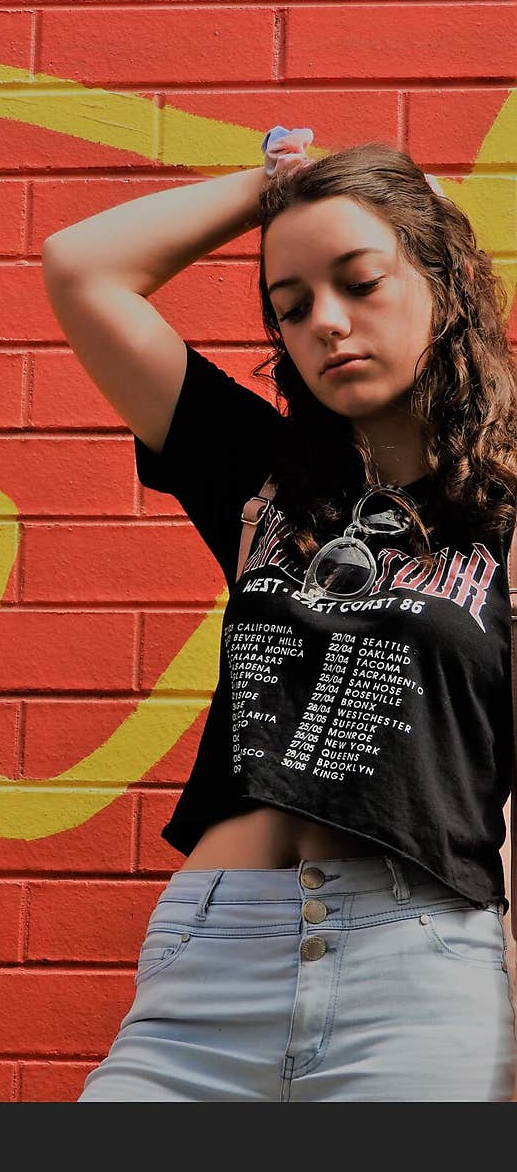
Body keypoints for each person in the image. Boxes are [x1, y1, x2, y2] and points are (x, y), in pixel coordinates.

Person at [41, 127, 517, 1102]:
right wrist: (274, 184)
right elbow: (82, 268)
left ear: (444, 282)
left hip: (421, 966)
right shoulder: (260, 478)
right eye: (290, 307)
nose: (326, 324)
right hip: (211, 957)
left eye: (360, 281)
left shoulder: (504, 511)